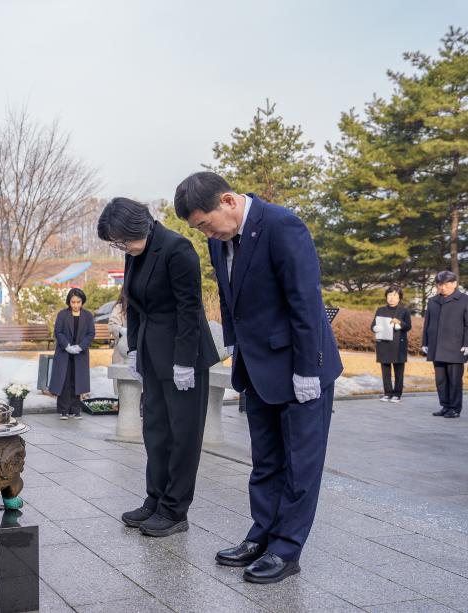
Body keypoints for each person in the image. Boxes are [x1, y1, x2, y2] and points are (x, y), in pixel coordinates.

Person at [175, 171, 342, 584]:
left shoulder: (282, 226)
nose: (206, 234)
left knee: (300, 464)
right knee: (265, 461)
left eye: (205, 224)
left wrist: (309, 368)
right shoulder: (223, 241)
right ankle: (262, 534)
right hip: (256, 366)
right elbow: (232, 300)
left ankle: (286, 548)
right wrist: (233, 344)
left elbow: (305, 301)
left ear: (228, 201)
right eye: (198, 229)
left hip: (300, 366)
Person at [97, 197, 219, 538]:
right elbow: (132, 303)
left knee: (183, 436)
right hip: (151, 351)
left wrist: (184, 362)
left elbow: (189, 309)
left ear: (140, 227)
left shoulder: (177, 249)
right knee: (155, 431)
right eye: (116, 243)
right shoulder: (135, 252)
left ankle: (175, 509)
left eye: (122, 240)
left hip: (184, 355)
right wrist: (134, 348)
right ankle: (155, 499)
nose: (121, 247)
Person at [421, 270, 468, 418]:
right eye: (440, 284)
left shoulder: (464, 300)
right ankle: (445, 406)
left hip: (456, 347)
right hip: (436, 346)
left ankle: (454, 408)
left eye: (447, 284)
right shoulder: (432, 301)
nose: (443, 287)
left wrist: (467, 343)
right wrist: (425, 342)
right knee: (440, 380)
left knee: (454, 380)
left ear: (454, 284)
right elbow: (427, 323)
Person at [48, 288, 95, 420]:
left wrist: (80, 347)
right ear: (69, 302)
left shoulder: (87, 315)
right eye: (73, 302)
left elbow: (91, 333)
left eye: (78, 302)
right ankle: (63, 410)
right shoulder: (62, 314)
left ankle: (75, 409)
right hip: (64, 352)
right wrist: (67, 346)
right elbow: (58, 332)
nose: (75, 305)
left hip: (80, 353)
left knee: (77, 380)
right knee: (64, 380)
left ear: (82, 302)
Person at [372, 286, 411, 402]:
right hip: (383, 343)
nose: (391, 298)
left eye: (394, 296)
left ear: (399, 298)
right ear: (386, 297)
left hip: (398, 344)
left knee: (399, 371)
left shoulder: (404, 311)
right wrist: (376, 327)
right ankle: (387, 393)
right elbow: (372, 325)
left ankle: (397, 394)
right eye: (389, 295)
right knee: (385, 370)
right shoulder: (380, 310)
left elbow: (408, 326)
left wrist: (399, 323)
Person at [108, 289, 129, 394]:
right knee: (123, 389)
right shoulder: (120, 307)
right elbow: (112, 325)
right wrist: (122, 330)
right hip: (123, 352)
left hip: (142, 352)